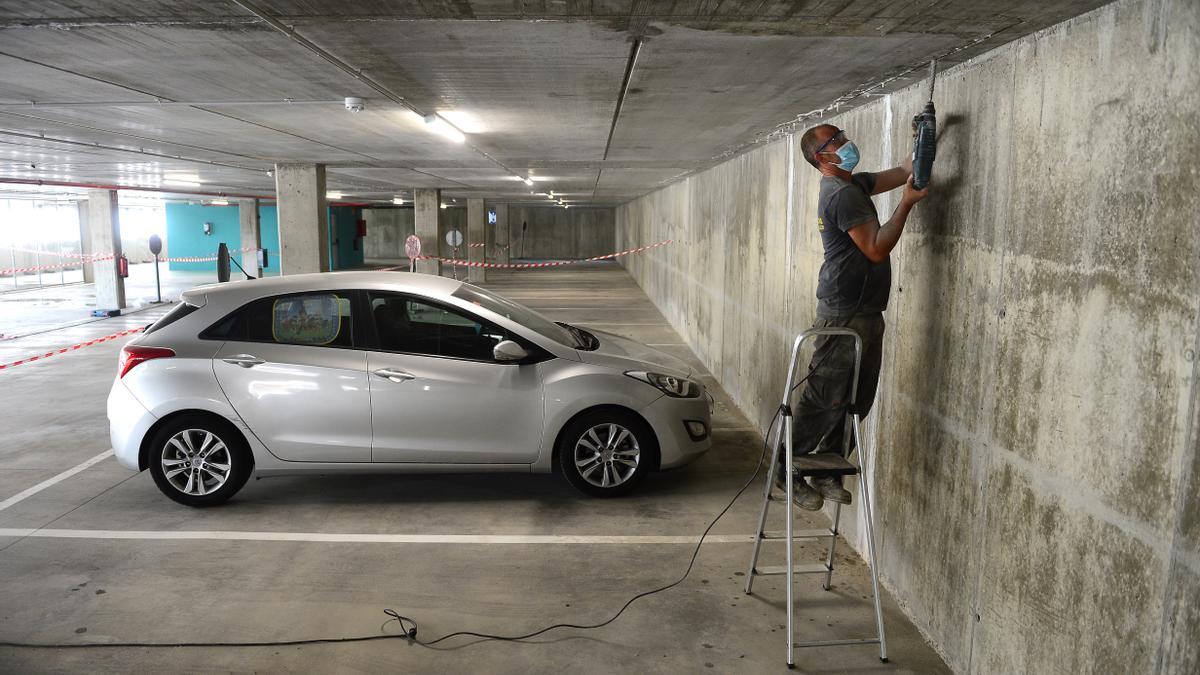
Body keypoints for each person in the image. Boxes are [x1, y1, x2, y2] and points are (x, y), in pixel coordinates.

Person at [780, 124, 930, 510]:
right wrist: (907, 204)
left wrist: (922, 140)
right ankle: (784, 471)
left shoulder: (853, 184)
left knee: (857, 399)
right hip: (843, 313)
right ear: (822, 157)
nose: (847, 143)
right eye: (837, 141)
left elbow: (900, 172)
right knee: (823, 397)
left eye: (842, 136)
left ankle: (827, 469)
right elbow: (877, 249)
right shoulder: (841, 194)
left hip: (865, 311)